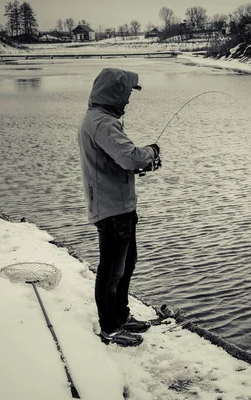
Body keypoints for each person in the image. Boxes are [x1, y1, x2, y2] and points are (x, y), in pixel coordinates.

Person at [78, 68, 161, 346]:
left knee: (126, 266)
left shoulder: (101, 120)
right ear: (113, 94)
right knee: (111, 270)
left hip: (120, 206)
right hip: (112, 210)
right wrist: (151, 153)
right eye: (125, 95)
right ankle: (110, 328)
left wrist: (139, 164)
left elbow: (115, 161)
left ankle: (121, 316)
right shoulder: (103, 123)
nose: (127, 101)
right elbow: (129, 157)